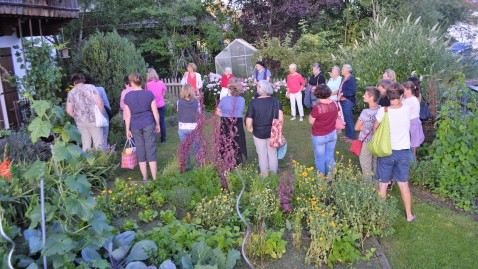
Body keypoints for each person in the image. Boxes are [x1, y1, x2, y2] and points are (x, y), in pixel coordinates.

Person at [373, 82, 416, 222]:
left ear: (388, 95)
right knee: (403, 184)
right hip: (403, 152)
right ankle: (409, 215)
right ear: (402, 95)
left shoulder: (383, 111)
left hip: (387, 151)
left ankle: (382, 215)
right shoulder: (407, 109)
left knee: (383, 184)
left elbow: (375, 128)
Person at [124, 73, 161, 181]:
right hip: (148, 123)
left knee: (140, 150)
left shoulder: (128, 96)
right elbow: (155, 112)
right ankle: (154, 178)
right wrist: (158, 124)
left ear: (132, 83)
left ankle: (145, 178)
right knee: (151, 148)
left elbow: (127, 115)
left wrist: (127, 129)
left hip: (135, 125)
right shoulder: (149, 94)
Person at [246, 80, 283, 176]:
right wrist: (278, 130)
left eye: (258, 86)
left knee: (262, 155)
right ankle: (274, 175)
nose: (256, 88)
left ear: (260, 89)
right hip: (273, 131)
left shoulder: (253, 103)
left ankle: (264, 175)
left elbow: (248, 120)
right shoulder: (276, 101)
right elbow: (280, 119)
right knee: (272, 153)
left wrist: (250, 128)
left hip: (258, 132)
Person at [66, 74, 105, 151]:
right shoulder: (91, 87)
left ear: (74, 83)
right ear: (83, 81)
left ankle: (86, 161)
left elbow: (68, 110)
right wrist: (99, 114)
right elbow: (100, 103)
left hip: (80, 122)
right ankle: (100, 161)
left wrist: (76, 116)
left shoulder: (71, 92)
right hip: (93, 119)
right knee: (98, 143)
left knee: (86, 144)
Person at [309, 84, 340, 175]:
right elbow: (339, 114)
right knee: (330, 156)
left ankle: (321, 180)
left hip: (319, 136)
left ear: (317, 94)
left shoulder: (317, 108)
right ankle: (330, 178)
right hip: (332, 133)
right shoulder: (334, 103)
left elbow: (311, 121)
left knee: (320, 159)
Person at [217, 78, 247, 166]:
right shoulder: (242, 99)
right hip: (238, 122)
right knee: (237, 141)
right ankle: (238, 162)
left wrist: (224, 113)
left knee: (225, 141)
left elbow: (218, 112)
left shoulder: (224, 99)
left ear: (229, 88)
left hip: (225, 122)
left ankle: (226, 161)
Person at [354, 87, 381, 185]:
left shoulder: (366, 112)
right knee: (376, 164)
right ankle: (377, 187)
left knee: (366, 165)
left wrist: (365, 128)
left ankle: (368, 190)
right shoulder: (381, 109)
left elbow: (356, 127)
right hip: (377, 141)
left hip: (366, 142)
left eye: (365, 94)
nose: (363, 96)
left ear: (371, 97)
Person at [177, 84, 201, 169]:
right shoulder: (197, 102)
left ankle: (187, 165)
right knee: (197, 147)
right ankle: (199, 165)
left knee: (185, 148)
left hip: (182, 128)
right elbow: (199, 113)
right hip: (194, 128)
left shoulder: (179, 102)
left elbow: (179, 112)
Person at [85, 75, 111, 147]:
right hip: (104, 115)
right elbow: (107, 104)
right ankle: (105, 157)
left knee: (95, 140)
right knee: (104, 138)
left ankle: (97, 157)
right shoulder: (101, 89)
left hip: (92, 118)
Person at [402, 81, 425, 159]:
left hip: (411, 125)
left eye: (403, 90)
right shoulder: (411, 99)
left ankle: (412, 166)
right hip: (412, 124)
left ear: (408, 90)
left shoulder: (410, 100)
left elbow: (399, 107)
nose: (402, 92)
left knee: (409, 148)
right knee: (411, 148)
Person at [146, 68, 167, 143]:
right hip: (161, 105)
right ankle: (163, 139)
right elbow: (164, 94)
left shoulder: (147, 84)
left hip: (152, 106)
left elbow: (147, 95)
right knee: (162, 122)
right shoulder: (161, 82)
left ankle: (153, 139)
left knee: (152, 122)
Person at [338, 64, 356, 142]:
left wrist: (342, 94)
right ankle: (347, 135)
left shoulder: (350, 79)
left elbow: (352, 92)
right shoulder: (344, 78)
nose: (341, 70)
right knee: (345, 118)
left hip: (348, 101)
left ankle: (351, 137)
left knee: (348, 119)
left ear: (347, 70)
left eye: (343, 69)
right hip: (343, 101)